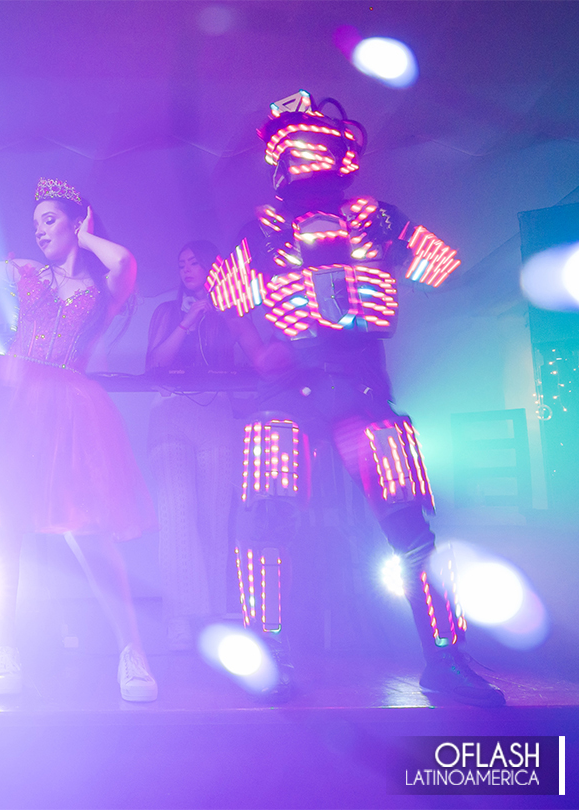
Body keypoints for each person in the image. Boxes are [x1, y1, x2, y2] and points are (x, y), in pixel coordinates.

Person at [209, 90, 504, 706]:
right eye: (292, 147)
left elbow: (442, 268)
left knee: (408, 522)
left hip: (362, 384)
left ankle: (445, 658)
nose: (303, 156)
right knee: (269, 515)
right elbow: (226, 292)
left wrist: (396, 255)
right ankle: (269, 653)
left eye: (314, 143)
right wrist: (257, 348)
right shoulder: (263, 229)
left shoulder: (375, 219)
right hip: (288, 391)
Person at [0, 157, 158, 701]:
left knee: (91, 539)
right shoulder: (27, 272)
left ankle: (132, 652)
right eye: (36, 223)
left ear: (76, 222)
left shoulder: (104, 285)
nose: (40, 230)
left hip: (71, 412)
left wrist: (88, 239)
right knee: (4, 532)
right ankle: (5, 650)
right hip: (12, 406)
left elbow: (125, 260)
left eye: (50, 220)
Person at [146, 241, 240, 651]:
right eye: (181, 263)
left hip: (216, 413)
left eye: (195, 262)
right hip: (170, 413)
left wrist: (218, 312)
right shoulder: (167, 312)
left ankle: (212, 614)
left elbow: (242, 360)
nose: (186, 269)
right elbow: (155, 364)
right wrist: (187, 321)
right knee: (176, 514)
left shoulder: (231, 312)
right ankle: (178, 617)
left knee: (214, 518)